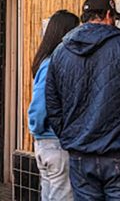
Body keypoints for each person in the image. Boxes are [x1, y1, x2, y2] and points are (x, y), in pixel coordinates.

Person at [46, 0, 120, 201]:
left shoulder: (60, 51)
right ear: (109, 15)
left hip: (80, 154)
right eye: (115, 18)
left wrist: (68, 137)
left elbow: (52, 104)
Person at [28, 10, 80, 201]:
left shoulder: (47, 61)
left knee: (49, 194)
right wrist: (37, 127)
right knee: (62, 195)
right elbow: (40, 103)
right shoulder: (52, 63)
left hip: (46, 142)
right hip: (55, 142)